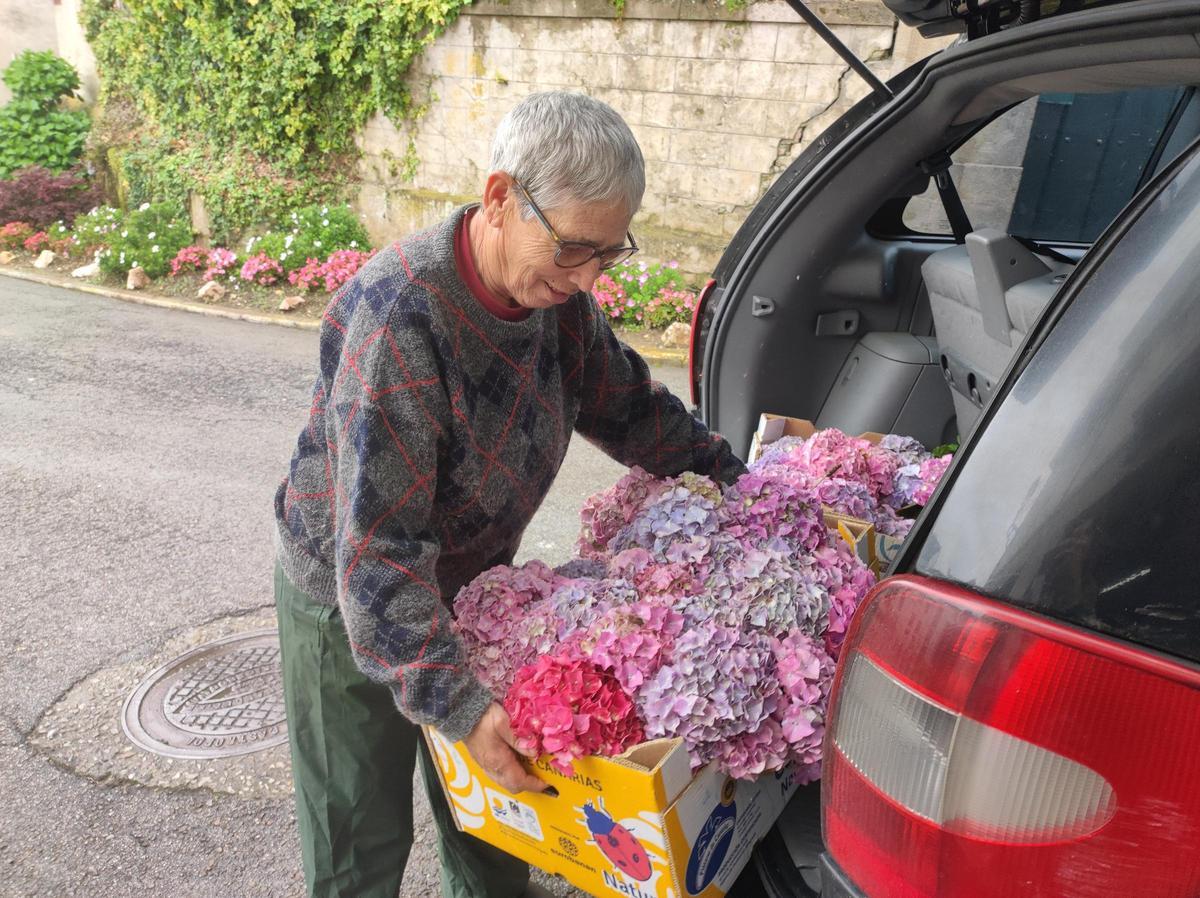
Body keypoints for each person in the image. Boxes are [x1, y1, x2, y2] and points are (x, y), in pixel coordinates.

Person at [272, 90, 747, 898]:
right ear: (499, 199)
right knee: (359, 840)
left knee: (495, 826)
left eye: (608, 253)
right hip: (348, 599)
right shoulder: (399, 321)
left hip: (471, 586)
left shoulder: (556, 301)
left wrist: (735, 481)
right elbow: (379, 552)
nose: (588, 277)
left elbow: (631, 409)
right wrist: (458, 702)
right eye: (574, 248)